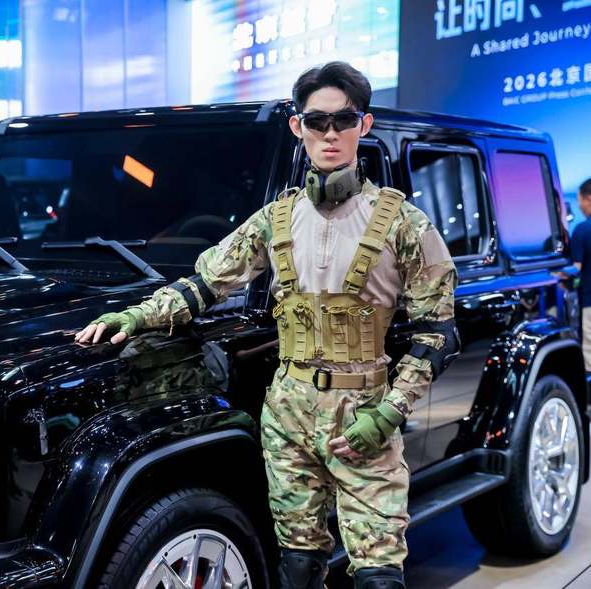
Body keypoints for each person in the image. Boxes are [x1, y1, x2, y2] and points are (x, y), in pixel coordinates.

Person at [74, 62, 459, 589]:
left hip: (364, 414)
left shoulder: (404, 224)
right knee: (296, 563)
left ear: (363, 126)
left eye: (343, 121)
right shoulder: (275, 220)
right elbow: (205, 285)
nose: (329, 134)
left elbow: (437, 334)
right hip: (288, 415)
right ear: (298, 127)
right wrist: (137, 315)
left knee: (378, 573)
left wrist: (390, 413)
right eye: (316, 121)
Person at [570, 178, 591, 371]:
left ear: (588, 199)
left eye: (580, 200)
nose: (579, 206)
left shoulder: (582, 230)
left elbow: (576, 267)